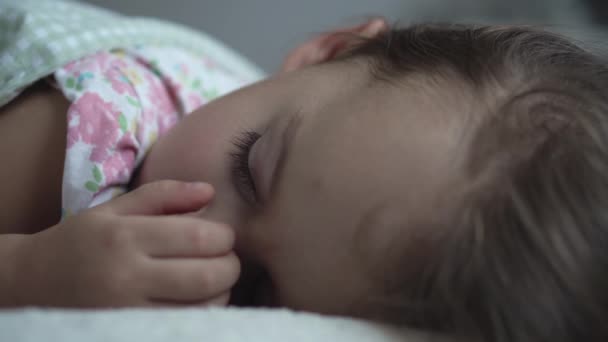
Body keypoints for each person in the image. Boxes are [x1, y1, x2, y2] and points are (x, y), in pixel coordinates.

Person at [1, 1, 608, 341]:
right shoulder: (83, 131)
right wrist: (27, 272)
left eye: (256, 291)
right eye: (249, 168)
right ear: (329, 51)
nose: (205, 237)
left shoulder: (297, 115)